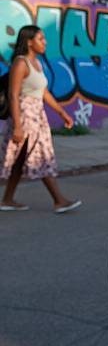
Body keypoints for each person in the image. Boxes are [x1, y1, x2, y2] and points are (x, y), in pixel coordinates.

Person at [0, 25, 82, 213]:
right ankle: (59, 200)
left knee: (21, 160)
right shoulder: (20, 63)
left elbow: (43, 92)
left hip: (37, 116)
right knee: (40, 157)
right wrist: (18, 127)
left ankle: (7, 199)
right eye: (41, 39)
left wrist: (62, 112)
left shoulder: (37, 63)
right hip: (25, 117)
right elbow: (13, 95)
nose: (45, 42)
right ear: (29, 42)